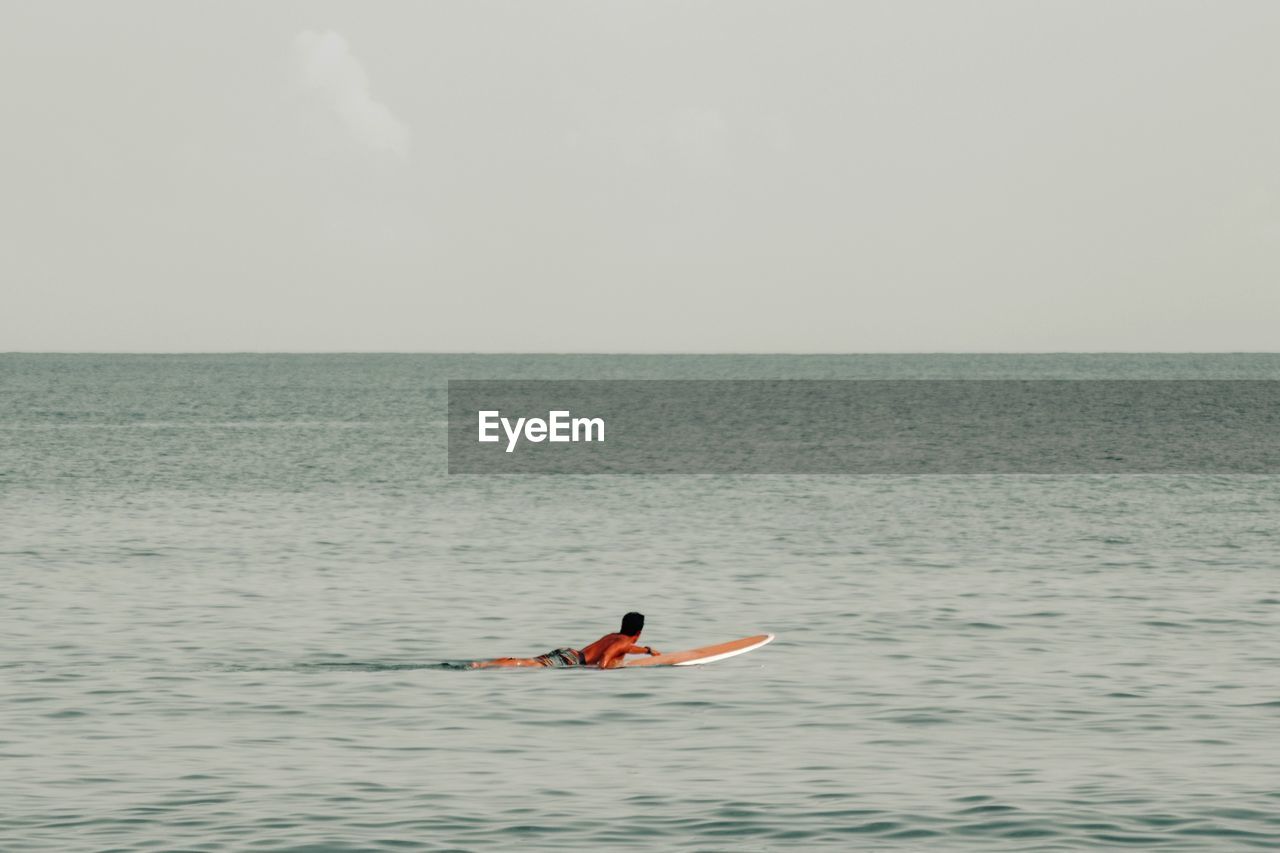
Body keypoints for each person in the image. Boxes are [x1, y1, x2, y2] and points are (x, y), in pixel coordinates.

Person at [469, 612, 659, 669]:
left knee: (530, 661)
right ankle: (483, 665)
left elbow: (623, 648)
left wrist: (647, 651)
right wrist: (603, 669)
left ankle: (485, 664)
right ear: (639, 632)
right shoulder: (623, 642)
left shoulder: (614, 636)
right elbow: (608, 657)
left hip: (570, 653)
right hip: (573, 661)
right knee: (529, 664)